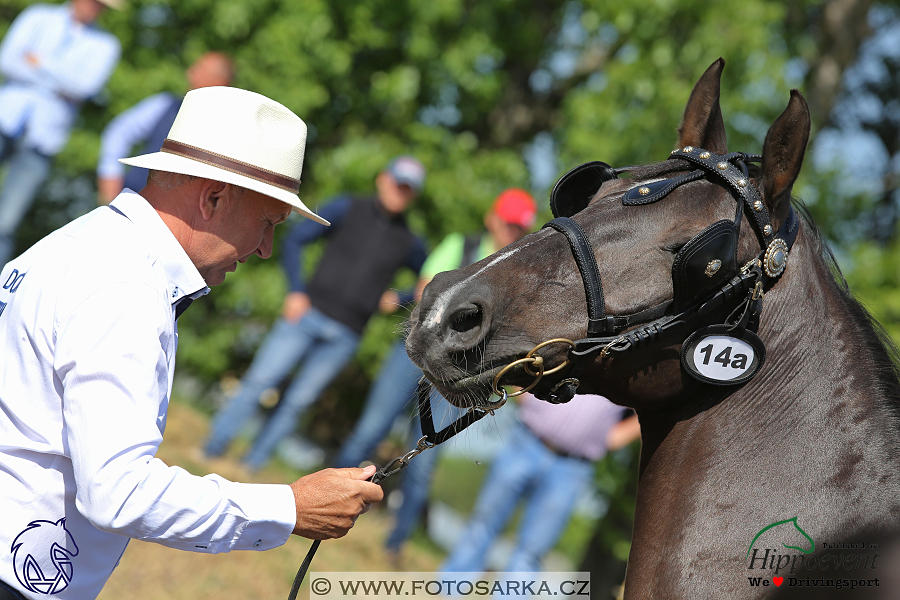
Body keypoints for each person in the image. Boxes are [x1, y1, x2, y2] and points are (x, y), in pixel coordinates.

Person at [0, 86, 383, 600]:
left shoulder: (83, 242)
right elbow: (119, 494)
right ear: (215, 197)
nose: (267, 249)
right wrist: (289, 507)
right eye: (267, 223)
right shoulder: (127, 287)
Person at [332, 188, 538, 559]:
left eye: (518, 228)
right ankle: (326, 500)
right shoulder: (461, 245)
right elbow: (425, 286)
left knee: (424, 461)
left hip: (460, 374)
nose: (511, 232)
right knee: (369, 430)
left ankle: (395, 544)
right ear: (493, 218)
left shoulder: (518, 272)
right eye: (508, 223)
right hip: (412, 356)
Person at [203, 156, 428, 471]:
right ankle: (212, 448)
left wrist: (399, 296)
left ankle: (252, 464)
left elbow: (428, 279)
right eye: (397, 183)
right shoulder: (347, 207)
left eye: (408, 189)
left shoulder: (409, 241)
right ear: (382, 178)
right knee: (260, 381)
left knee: (299, 402)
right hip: (306, 315)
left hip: (347, 334)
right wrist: (296, 289)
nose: (399, 192)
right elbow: (296, 239)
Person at [438, 393, 640, 575]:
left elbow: (644, 408)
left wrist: (613, 438)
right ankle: (450, 587)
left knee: (533, 549)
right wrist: (523, 392)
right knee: (483, 522)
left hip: (573, 467)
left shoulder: (628, 357)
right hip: (526, 441)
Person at [0, 0, 122, 267]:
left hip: (44, 139)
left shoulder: (107, 44)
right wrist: (62, 81)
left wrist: (40, 62)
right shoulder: (39, 15)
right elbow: (7, 60)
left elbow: (86, 88)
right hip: (5, 117)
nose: (95, 8)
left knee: (5, 222)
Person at [96, 52, 235, 204]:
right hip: (130, 202)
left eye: (199, 69)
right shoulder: (165, 105)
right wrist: (110, 178)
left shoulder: (229, 128)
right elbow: (119, 133)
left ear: (219, 81)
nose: (189, 73)